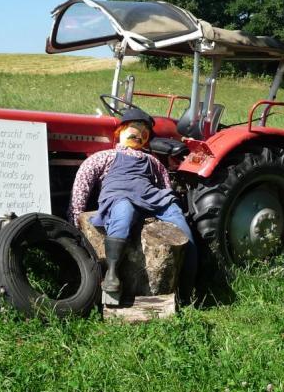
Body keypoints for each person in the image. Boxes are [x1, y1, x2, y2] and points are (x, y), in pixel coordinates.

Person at [68, 108, 197, 299]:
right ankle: (112, 273)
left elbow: (164, 185)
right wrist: (75, 213)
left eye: (145, 133)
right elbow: (83, 180)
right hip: (121, 196)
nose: (140, 135)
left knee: (180, 221)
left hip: (153, 198)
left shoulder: (153, 161)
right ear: (120, 130)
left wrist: (168, 200)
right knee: (123, 213)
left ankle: (189, 284)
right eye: (135, 129)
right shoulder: (105, 156)